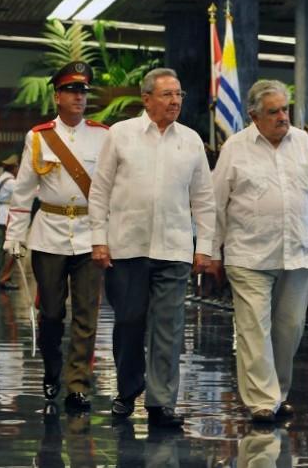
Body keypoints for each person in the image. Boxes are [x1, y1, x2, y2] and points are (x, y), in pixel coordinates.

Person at [89, 67, 215, 428]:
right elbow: (99, 191)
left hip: (173, 250)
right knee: (128, 322)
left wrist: (203, 245)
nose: (175, 101)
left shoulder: (190, 140)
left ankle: (161, 403)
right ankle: (127, 391)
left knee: (169, 327)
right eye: (167, 95)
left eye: (179, 95)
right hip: (126, 248)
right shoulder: (120, 135)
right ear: (146, 99)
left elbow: (204, 198)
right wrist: (99, 240)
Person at [210, 79, 308, 424]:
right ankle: (261, 401)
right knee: (253, 328)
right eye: (274, 111)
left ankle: (277, 394)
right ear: (254, 115)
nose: (283, 117)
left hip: (299, 252)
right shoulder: (235, 148)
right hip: (249, 255)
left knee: (290, 327)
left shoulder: (304, 144)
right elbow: (216, 204)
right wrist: (210, 251)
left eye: (285, 109)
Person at [3, 61, 108, 411]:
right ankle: (51, 370)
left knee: (86, 314)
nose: (79, 97)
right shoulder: (39, 136)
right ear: (57, 95)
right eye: (72, 91)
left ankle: (77, 384)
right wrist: (14, 237)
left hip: (91, 232)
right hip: (48, 234)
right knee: (50, 312)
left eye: (83, 91)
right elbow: (23, 191)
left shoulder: (103, 135)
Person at [0, 154, 19, 290]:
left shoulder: (0, 179)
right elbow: (26, 192)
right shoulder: (11, 182)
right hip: (8, 217)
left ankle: (2, 276)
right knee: (15, 248)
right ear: (14, 168)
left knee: (2, 249)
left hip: (1, 215)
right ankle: (5, 278)